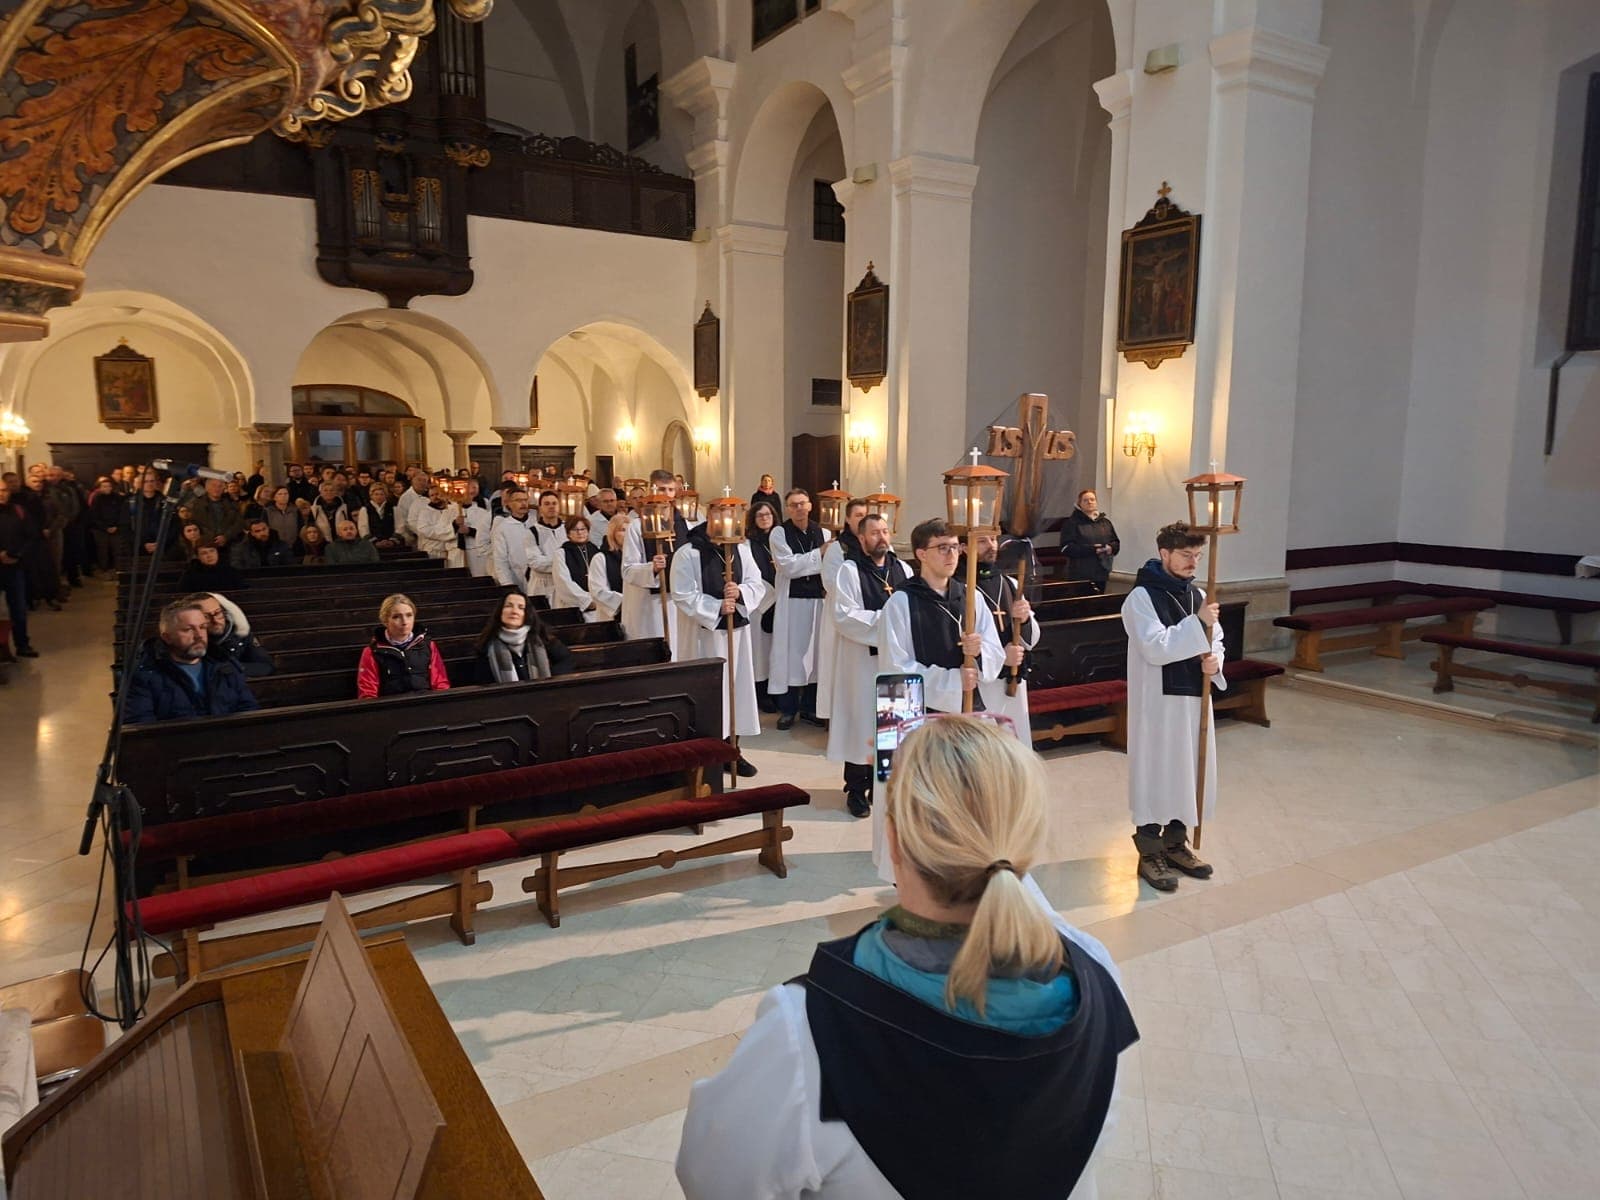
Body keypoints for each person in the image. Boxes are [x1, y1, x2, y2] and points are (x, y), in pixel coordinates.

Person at [676, 715, 1137, 1200]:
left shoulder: (809, 1032)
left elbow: (711, 1179)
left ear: (893, 840)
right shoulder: (1096, 979)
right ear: (1026, 840)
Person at [1121, 521, 1225, 892]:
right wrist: (1198, 625)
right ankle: (1149, 849)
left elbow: (1217, 640)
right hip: (1157, 705)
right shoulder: (1141, 598)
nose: (1192, 562)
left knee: (1187, 772)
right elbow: (1156, 647)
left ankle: (1176, 842)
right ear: (1164, 553)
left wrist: (1214, 660)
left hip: (1194, 699)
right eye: (1185, 555)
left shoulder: (1197, 594)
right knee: (1158, 770)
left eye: (1197, 556)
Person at [826, 513, 913, 818]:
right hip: (862, 662)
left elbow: (914, 611)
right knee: (862, 722)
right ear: (862, 539)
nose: (882, 537)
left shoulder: (903, 568)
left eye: (885, 531)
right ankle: (856, 789)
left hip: (896, 662)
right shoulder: (849, 571)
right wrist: (889, 624)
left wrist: (899, 629)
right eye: (874, 533)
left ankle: (885, 784)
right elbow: (845, 616)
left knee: (892, 723)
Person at [880, 517, 1009, 715]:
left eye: (955, 547)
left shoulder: (971, 597)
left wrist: (979, 652)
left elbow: (995, 652)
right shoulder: (901, 602)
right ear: (921, 554)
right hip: (916, 714)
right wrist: (954, 681)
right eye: (942, 548)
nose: (952, 554)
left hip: (967, 708)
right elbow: (895, 667)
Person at [670, 520, 766, 776]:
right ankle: (707, 754)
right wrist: (716, 607)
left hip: (737, 634)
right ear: (710, 521)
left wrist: (741, 591)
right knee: (709, 693)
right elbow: (681, 594)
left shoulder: (741, 550)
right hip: (704, 637)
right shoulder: (688, 553)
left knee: (736, 691)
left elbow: (758, 583)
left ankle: (732, 750)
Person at [124, 598, 259, 723]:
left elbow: (248, 710)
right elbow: (142, 729)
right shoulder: (144, 675)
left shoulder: (224, 664)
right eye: (188, 629)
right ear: (167, 637)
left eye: (202, 627)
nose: (199, 636)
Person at [769, 489, 831, 729]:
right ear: (787, 508)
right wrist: (819, 554)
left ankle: (810, 708)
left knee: (816, 654)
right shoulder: (779, 533)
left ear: (810, 506)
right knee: (791, 655)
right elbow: (788, 567)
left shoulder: (823, 531)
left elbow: (827, 565)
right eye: (793, 505)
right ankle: (788, 709)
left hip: (819, 600)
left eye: (802, 504)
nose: (798, 509)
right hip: (792, 601)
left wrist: (817, 559)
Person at [973, 531, 1038, 742]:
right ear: (964, 548)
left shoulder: (1009, 583)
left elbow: (1033, 639)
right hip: (983, 681)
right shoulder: (961, 588)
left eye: (993, 539)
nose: (991, 545)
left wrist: (1026, 618)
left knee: (1016, 740)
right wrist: (1002, 656)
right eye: (982, 541)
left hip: (1013, 676)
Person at [621, 469, 691, 644]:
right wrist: (651, 568)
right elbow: (628, 569)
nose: (666, 495)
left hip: (679, 600)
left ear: (675, 492)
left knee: (679, 648)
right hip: (650, 604)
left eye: (670, 489)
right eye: (661, 489)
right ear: (652, 490)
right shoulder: (637, 526)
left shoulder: (687, 525)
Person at [816, 498, 868, 726]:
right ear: (847, 519)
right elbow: (830, 582)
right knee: (838, 667)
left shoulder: (880, 546)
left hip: (869, 618)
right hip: (841, 617)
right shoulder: (838, 548)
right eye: (857, 515)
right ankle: (836, 717)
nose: (862, 519)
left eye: (865, 515)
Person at [356, 593, 450, 697]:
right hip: (391, 707)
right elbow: (368, 693)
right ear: (385, 620)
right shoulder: (372, 652)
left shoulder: (428, 646)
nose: (405, 622)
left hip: (425, 704)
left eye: (409, 615)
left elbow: (440, 683)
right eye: (396, 617)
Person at [472, 591, 574, 683]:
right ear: (500, 612)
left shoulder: (542, 639)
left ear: (527, 614)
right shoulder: (487, 645)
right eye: (508, 606)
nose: (514, 611)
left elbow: (566, 660)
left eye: (521, 608)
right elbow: (484, 682)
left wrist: (548, 679)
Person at [193, 591, 275, 677]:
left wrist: (232, 669)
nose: (215, 620)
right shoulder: (188, 641)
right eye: (206, 617)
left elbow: (266, 666)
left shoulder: (239, 633)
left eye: (217, 613)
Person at [0, 478, 39, 657]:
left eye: (5, 490)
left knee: (18, 608)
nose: (2, 493)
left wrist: (17, 555)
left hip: (15, 566)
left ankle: (22, 644)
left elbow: (31, 536)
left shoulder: (19, 511)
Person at [1060, 489, 1120, 593]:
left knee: (1098, 604)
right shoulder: (1072, 523)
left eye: (1092, 499)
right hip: (1080, 574)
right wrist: (1091, 549)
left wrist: (1111, 547)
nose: (1090, 502)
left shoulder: (1105, 522)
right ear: (1079, 504)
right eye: (1085, 500)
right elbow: (1066, 548)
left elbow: (1115, 542)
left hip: (1101, 573)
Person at [490, 486, 541, 594]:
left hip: (539, 577)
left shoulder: (537, 522)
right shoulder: (503, 527)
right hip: (517, 576)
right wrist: (508, 585)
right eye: (518, 500)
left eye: (525, 500)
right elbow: (500, 560)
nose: (523, 504)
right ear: (508, 504)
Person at [551, 514, 604, 619]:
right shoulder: (562, 553)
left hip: (599, 607)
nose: (580, 533)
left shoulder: (596, 551)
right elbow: (563, 582)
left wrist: (600, 600)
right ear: (568, 533)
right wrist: (588, 601)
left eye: (583, 529)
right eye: (575, 530)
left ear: (588, 531)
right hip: (574, 607)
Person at [588, 513, 629, 626]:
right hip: (613, 617)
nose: (627, 534)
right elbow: (598, 591)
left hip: (637, 615)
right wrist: (629, 601)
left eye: (630, 530)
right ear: (612, 533)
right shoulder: (601, 558)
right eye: (622, 530)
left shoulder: (638, 558)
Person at [527, 489, 568, 602]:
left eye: (554, 503)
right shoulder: (533, 532)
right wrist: (563, 563)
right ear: (540, 508)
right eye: (547, 504)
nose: (551, 507)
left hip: (565, 583)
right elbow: (535, 562)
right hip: (541, 586)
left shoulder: (568, 528)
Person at [412, 484, 464, 566]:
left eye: (437, 494)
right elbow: (425, 530)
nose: (435, 497)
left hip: (452, 551)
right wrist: (452, 528)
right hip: (433, 551)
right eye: (432, 495)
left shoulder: (453, 508)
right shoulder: (425, 511)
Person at [188, 476, 243, 549]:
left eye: (220, 486)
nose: (217, 489)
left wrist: (226, 537)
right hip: (207, 545)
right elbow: (196, 524)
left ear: (224, 488)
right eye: (213, 485)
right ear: (207, 488)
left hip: (231, 543)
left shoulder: (232, 503)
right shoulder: (197, 505)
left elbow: (239, 523)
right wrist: (211, 538)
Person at [87, 477, 123, 574]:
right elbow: (94, 515)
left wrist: (116, 526)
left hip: (116, 528)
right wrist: (105, 527)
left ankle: (119, 570)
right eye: (104, 486)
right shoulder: (96, 498)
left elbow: (122, 513)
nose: (107, 488)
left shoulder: (118, 497)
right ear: (100, 488)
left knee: (118, 551)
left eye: (109, 486)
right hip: (100, 530)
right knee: (102, 551)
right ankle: (104, 570)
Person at [178, 543, 247, 593]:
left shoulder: (231, 571)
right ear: (198, 557)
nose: (209, 555)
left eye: (212, 551)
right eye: (204, 553)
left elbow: (243, 592)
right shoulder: (190, 574)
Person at [459, 478, 493, 575]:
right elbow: (441, 530)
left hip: (476, 550)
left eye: (475, 487)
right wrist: (454, 525)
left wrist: (469, 531)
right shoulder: (452, 509)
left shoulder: (481, 510)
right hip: (459, 552)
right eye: (471, 487)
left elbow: (487, 531)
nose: (473, 490)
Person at [230, 518, 295, 568]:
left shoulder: (281, 545)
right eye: (257, 531)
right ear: (252, 533)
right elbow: (237, 567)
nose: (262, 533)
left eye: (264, 529)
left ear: (268, 528)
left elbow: (290, 565)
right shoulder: (241, 548)